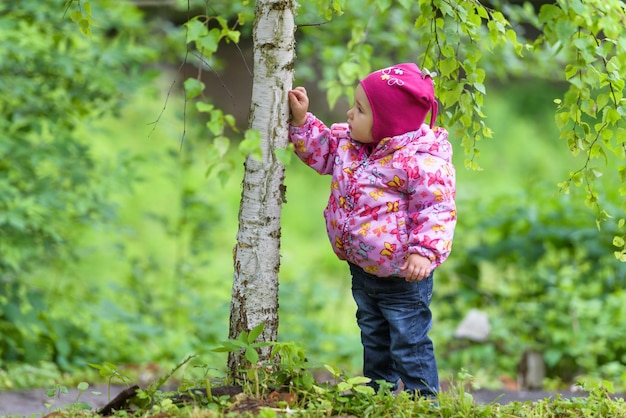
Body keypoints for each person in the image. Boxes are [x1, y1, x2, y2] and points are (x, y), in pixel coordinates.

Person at [287, 63, 456, 398]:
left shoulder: (419, 163)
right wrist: (303, 121)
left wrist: (425, 251)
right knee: (374, 337)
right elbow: (322, 152)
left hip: (403, 276)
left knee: (408, 341)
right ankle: (379, 396)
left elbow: (436, 208)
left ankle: (424, 401)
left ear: (388, 124)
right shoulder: (350, 144)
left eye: (360, 109)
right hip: (364, 270)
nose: (350, 114)